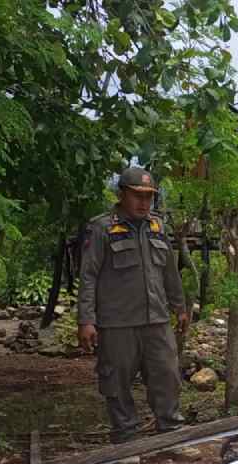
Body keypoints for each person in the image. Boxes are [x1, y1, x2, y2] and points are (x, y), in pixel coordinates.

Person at [78, 167, 189, 444]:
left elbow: (170, 272)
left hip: (157, 320)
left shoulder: (157, 226)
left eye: (149, 197)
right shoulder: (103, 228)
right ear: (122, 195)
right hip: (117, 324)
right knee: (117, 383)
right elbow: (88, 276)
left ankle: (171, 436)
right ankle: (126, 442)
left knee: (167, 377)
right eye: (137, 196)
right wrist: (86, 320)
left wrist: (180, 306)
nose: (143, 203)